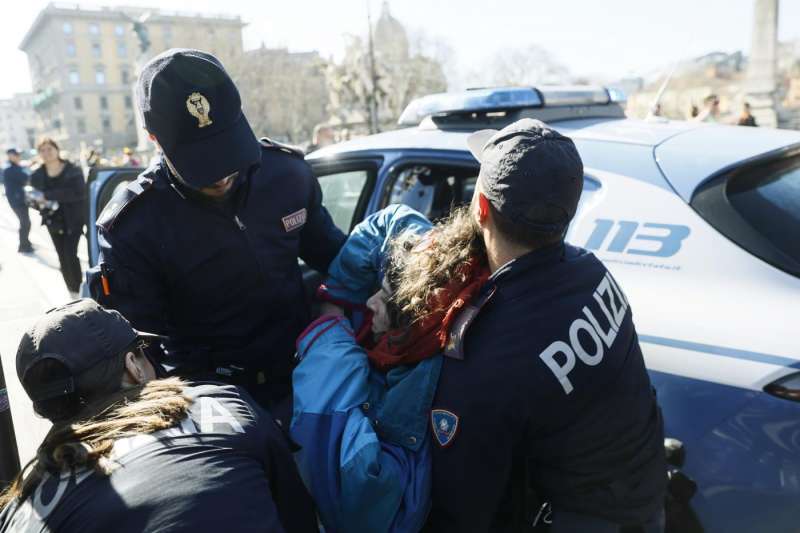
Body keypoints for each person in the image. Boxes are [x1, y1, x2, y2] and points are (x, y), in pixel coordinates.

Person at [417, 119, 666, 532]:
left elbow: (461, 511)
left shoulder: (484, 356)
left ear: (480, 209)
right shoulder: (591, 274)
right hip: (644, 506)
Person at [91, 49, 345, 415]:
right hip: (212, 404)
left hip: (308, 373)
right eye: (201, 160)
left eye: (226, 148)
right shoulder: (133, 226)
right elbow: (139, 353)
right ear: (154, 139)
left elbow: (331, 253)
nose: (221, 174)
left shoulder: (286, 174)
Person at [0, 299, 317, 533]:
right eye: (144, 353)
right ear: (133, 367)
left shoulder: (23, 511)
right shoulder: (220, 404)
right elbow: (299, 516)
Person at [30, 138, 86, 294]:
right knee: (61, 255)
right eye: (42, 150)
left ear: (57, 149)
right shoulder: (36, 174)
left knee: (70, 254)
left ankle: (79, 288)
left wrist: (47, 195)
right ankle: (71, 290)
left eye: (49, 149)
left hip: (73, 219)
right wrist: (37, 202)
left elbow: (79, 193)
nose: (46, 153)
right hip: (52, 220)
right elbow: (33, 199)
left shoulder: (72, 169)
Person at [2, 148, 33, 253]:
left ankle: (26, 243)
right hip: (17, 201)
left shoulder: (14, 167)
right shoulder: (10, 169)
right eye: (17, 155)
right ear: (11, 156)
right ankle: (23, 246)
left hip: (19, 199)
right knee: (25, 223)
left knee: (25, 222)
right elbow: (26, 178)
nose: (19, 157)